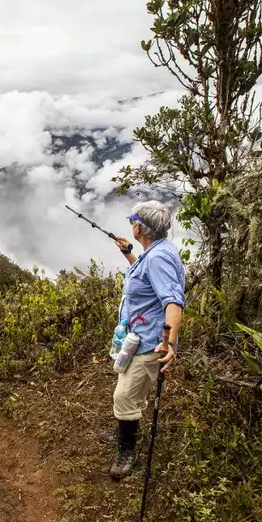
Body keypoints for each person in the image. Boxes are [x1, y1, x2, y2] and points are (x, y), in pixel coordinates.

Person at [103, 201, 185, 479]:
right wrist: (129, 254)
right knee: (128, 387)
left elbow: (173, 302)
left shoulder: (158, 258)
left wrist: (170, 344)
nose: (131, 226)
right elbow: (147, 278)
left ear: (140, 227)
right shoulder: (154, 253)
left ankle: (128, 450)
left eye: (133, 222)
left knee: (124, 395)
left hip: (150, 342)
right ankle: (125, 431)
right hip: (136, 337)